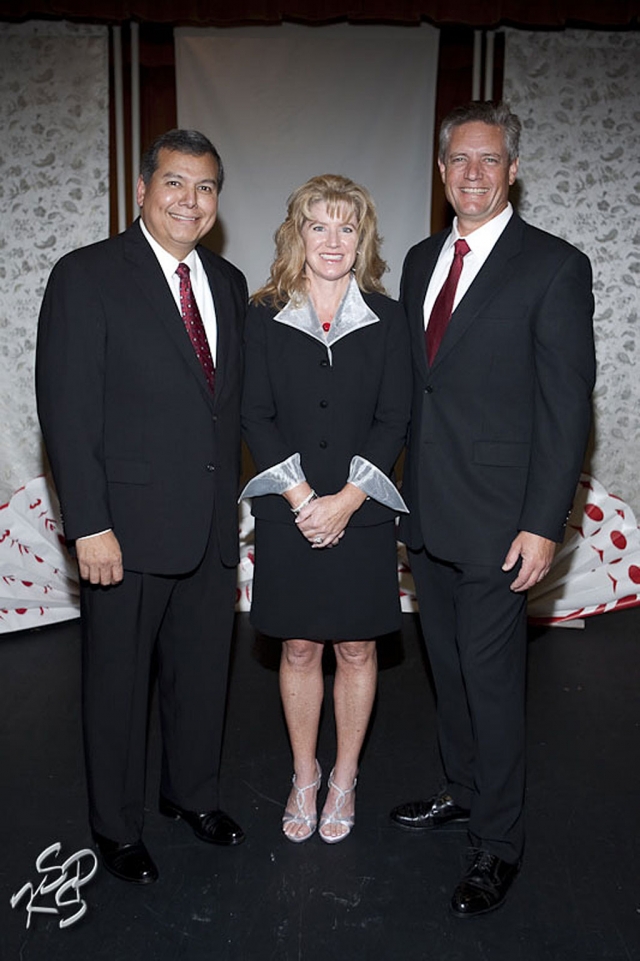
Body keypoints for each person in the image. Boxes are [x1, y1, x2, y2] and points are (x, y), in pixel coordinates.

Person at [390, 102, 596, 915]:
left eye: (490, 160)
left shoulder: (553, 265)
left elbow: (566, 408)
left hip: (504, 521)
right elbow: (417, 389)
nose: (473, 173)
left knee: (493, 682)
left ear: (512, 170)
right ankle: (462, 790)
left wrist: (544, 522)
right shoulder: (416, 261)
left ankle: (498, 843)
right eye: (458, 161)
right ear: (442, 173)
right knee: (448, 671)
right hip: (428, 514)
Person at [36, 129, 248, 884]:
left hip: (209, 530)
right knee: (117, 688)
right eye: (175, 184)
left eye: (206, 187)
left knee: (201, 678)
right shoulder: (86, 275)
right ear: (140, 189)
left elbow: (226, 407)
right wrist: (89, 523)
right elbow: (67, 413)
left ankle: (192, 795)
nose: (191, 201)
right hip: (121, 531)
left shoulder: (226, 281)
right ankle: (116, 826)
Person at [241, 174, 411, 844]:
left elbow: (394, 417)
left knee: (358, 645)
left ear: (362, 236)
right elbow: (255, 412)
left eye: (347, 226)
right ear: (297, 234)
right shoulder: (263, 313)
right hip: (289, 510)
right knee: (302, 645)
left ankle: (345, 776)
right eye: (319, 225)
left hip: (364, 511)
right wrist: (306, 500)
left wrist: (344, 501)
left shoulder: (390, 318)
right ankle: (304, 774)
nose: (333, 240)